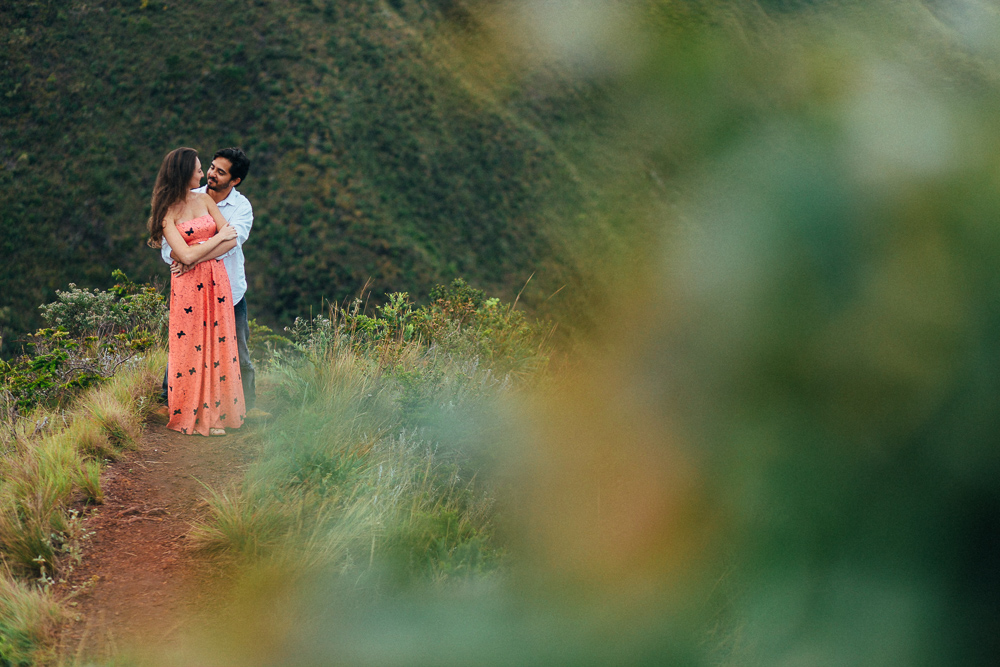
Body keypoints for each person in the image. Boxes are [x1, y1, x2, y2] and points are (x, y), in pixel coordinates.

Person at [155, 147, 267, 419]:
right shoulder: (190, 197)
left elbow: (231, 242)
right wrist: (185, 255)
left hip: (228, 287)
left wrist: (191, 256)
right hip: (191, 288)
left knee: (237, 348)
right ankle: (170, 399)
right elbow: (168, 249)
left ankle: (246, 405)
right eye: (212, 167)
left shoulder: (241, 207)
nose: (211, 174)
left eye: (220, 171)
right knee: (184, 343)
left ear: (235, 180)